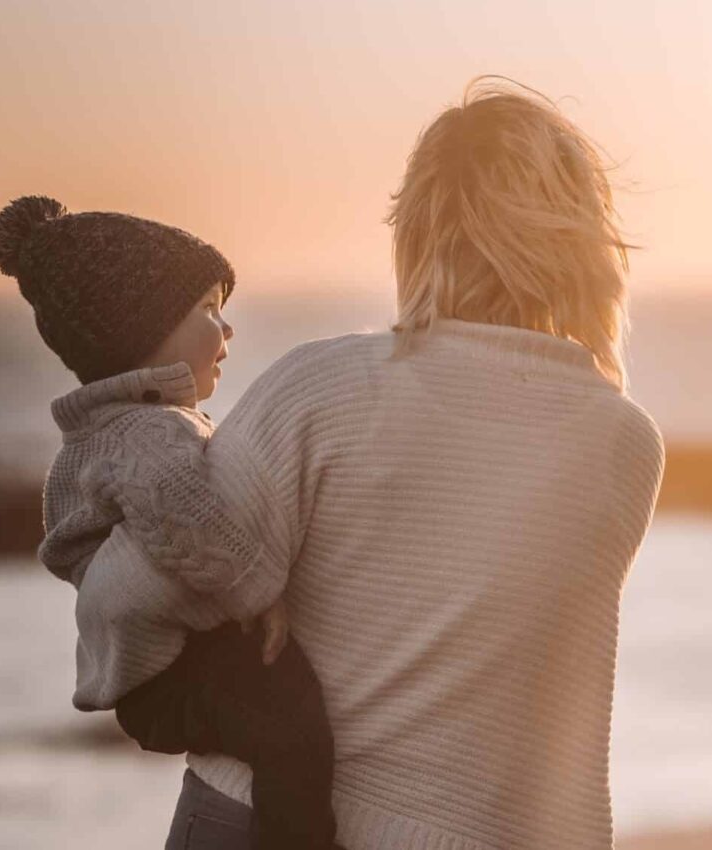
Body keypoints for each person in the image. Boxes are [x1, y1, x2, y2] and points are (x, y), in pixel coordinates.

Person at [169, 78, 666, 849]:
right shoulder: (622, 444)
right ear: (582, 240)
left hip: (251, 815)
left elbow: (170, 579)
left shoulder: (319, 385)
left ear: (420, 228)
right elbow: (558, 725)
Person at [0, 196, 339, 850]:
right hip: (174, 678)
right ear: (137, 330)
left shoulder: (103, 432)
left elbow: (71, 545)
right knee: (295, 729)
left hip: (150, 679)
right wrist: (260, 597)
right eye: (207, 309)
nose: (227, 329)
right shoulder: (149, 436)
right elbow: (199, 529)